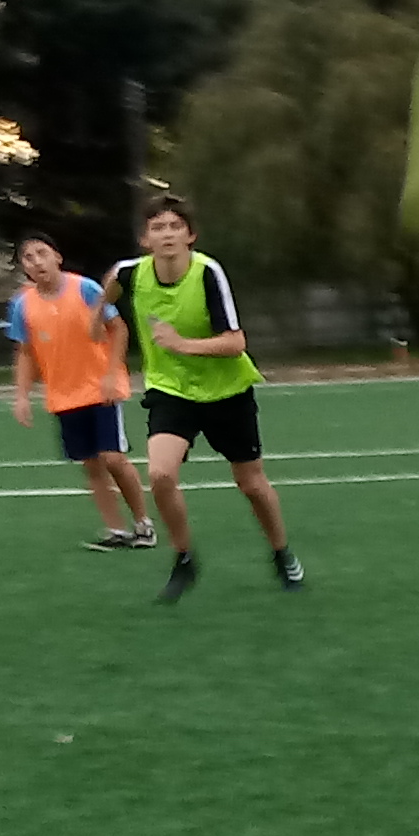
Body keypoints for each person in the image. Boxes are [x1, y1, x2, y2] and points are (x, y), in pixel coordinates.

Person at [110, 194, 303, 600]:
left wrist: (181, 344)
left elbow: (235, 342)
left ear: (190, 235)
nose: (167, 234)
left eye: (175, 226)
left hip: (226, 390)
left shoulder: (207, 273)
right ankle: (184, 558)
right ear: (145, 239)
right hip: (171, 389)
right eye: (157, 227)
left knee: (250, 483)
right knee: (160, 475)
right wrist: (97, 324)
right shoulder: (131, 273)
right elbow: (108, 289)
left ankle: (281, 552)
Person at [6, 232, 148, 546]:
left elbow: (118, 328)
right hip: (64, 395)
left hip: (102, 389)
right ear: (24, 268)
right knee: (91, 464)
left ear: (57, 257)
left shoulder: (85, 289)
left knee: (113, 458)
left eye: (42, 253)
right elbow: (25, 352)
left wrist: (112, 373)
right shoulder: (21, 305)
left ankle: (143, 523)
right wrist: (21, 395)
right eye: (28, 257)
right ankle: (116, 529)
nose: (37, 261)